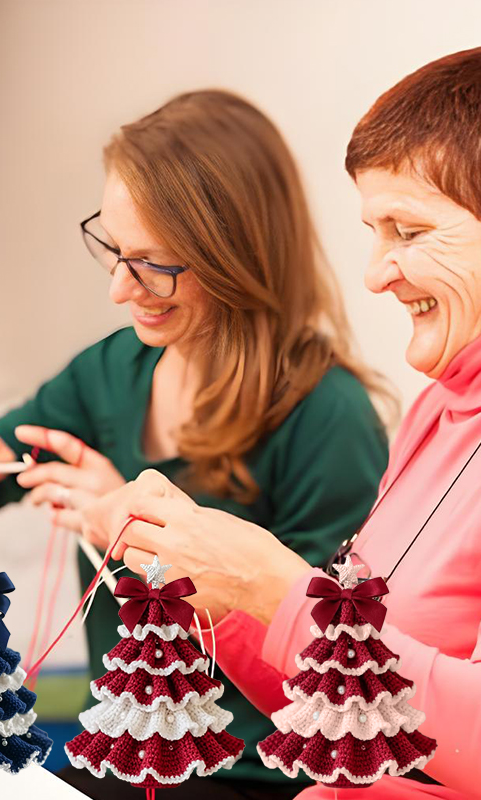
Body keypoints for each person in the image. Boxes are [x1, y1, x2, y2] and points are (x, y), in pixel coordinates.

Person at [0, 90, 390, 799]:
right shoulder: (111, 372)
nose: (119, 288)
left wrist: (127, 525)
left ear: (235, 256)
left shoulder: (328, 417)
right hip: (124, 754)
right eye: (114, 249)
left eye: (152, 263)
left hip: (257, 771)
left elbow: (327, 664)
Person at [82, 49, 481, 800]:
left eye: (407, 232)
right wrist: (216, 591)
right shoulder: (435, 412)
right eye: (375, 231)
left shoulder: (332, 409)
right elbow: (337, 707)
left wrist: (279, 590)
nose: (375, 273)